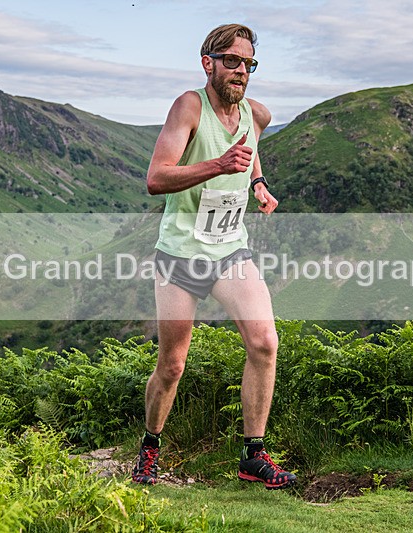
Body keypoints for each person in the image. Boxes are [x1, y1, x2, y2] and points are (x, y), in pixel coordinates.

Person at [131, 23, 296, 490]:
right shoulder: (189, 106)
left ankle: (253, 457)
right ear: (209, 63)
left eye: (249, 64)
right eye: (232, 61)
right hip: (179, 256)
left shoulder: (255, 113)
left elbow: (251, 145)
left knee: (265, 343)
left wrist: (258, 183)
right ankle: (149, 448)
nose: (241, 71)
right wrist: (219, 166)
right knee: (172, 365)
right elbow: (156, 178)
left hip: (229, 249)